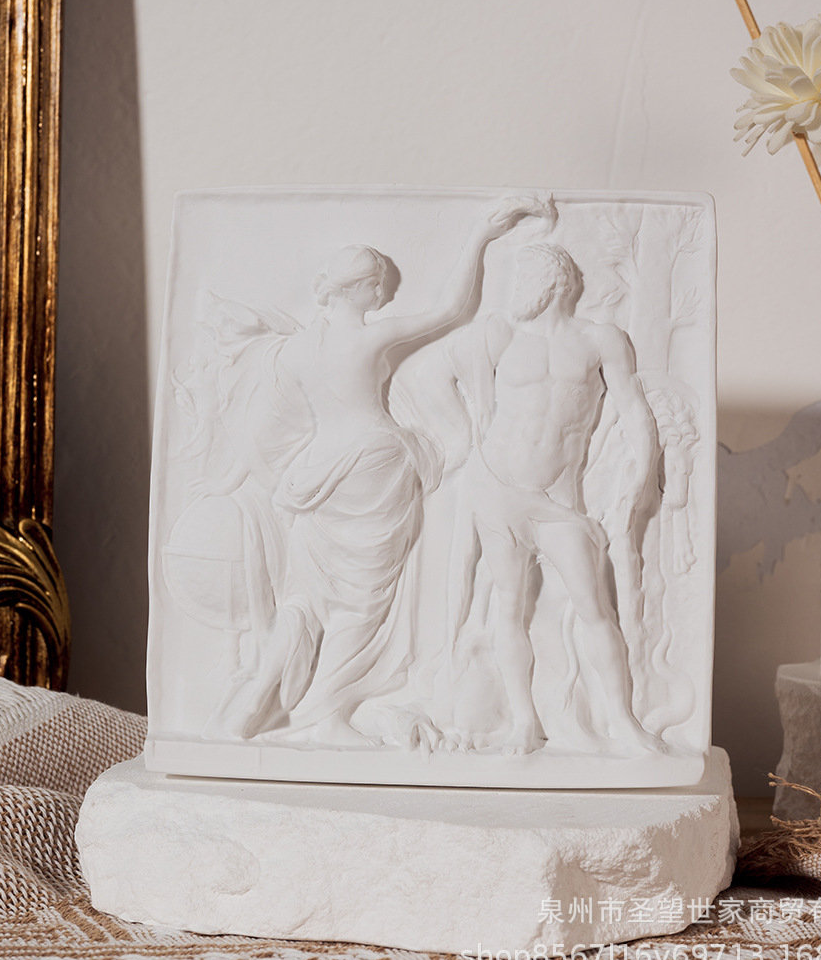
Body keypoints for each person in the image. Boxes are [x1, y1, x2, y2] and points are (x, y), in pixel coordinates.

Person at [212, 196, 553, 744]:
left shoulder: (291, 352)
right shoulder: (371, 337)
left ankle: (250, 704)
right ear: (355, 290)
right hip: (373, 469)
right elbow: (451, 310)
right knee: (360, 605)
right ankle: (324, 717)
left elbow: (261, 429)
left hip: (317, 473)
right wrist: (479, 235)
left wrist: (275, 482)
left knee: (304, 598)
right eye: (376, 285)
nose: (384, 295)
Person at [457, 243, 661, 754]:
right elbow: (467, 398)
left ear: (554, 282)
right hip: (497, 489)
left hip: (558, 500)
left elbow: (634, 410)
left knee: (594, 606)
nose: (517, 288)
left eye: (525, 276)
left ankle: (622, 721)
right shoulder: (501, 336)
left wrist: (639, 481)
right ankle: (522, 721)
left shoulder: (600, 340)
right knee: (508, 606)